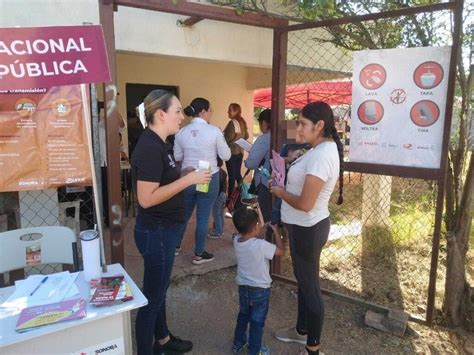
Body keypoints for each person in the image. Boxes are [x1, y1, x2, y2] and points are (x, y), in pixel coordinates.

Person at [131, 90, 212, 355]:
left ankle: (163, 340)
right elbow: (146, 198)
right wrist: (187, 181)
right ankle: (146, 349)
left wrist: (184, 173)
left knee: (158, 290)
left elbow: (162, 181)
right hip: (156, 232)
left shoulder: (160, 143)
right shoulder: (149, 147)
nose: (182, 117)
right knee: (152, 298)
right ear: (160, 114)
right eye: (177, 111)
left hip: (163, 230)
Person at [270, 101, 344, 355]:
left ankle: (313, 347)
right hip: (303, 227)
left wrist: (280, 192)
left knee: (310, 286)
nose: (298, 128)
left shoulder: (323, 155)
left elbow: (305, 203)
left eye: (302, 123)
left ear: (320, 125)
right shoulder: (317, 149)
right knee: (303, 281)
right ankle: (301, 331)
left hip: (308, 228)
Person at [174, 97, 231, 264]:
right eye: (210, 110)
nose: (211, 113)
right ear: (203, 111)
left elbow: (177, 156)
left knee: (184, 215)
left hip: (188, 176)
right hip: (207, 175)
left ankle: (176, 247)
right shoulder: (214, 131)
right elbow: (226, 155)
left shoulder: (181, 132)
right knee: (203, 217)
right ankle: (198, 254)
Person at [231, 206, 285, 355]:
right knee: (257, 322)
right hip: (260, 290)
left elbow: (254, 234)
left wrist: (260, 225)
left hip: (243, 288)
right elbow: (281, 251)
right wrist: (276, 232)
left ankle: (238, 344)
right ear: (255, 226)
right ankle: (254, 350)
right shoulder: (261, 246)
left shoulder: (236, 240)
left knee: (243, 316)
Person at [244, 109, 271, 223]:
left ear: (264, 123)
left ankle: (266, 237)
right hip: (280, 181)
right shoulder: (283, 136)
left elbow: (252, 164)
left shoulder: (263, 138)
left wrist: (246, 161)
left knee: (265, 214)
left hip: (265, 180)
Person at [224, 103, 249, 197]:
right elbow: (246, 136)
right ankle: (244, 193)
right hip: (240, 152)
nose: (228, 112)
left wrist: (221, 135)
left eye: (230, 110)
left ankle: (230, 198)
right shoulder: (242, 122)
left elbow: (227, 138)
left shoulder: (232, 123)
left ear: (236, 111)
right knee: (237, 174)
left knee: (231, 176)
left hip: (231, 153)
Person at [209, 157, 228, 238]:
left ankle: (218, 232)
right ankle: (220, 230)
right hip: (223, 195)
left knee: (216, 214)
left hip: (218, 195)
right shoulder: (223, 172)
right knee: (221, 213)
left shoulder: (216, 174)